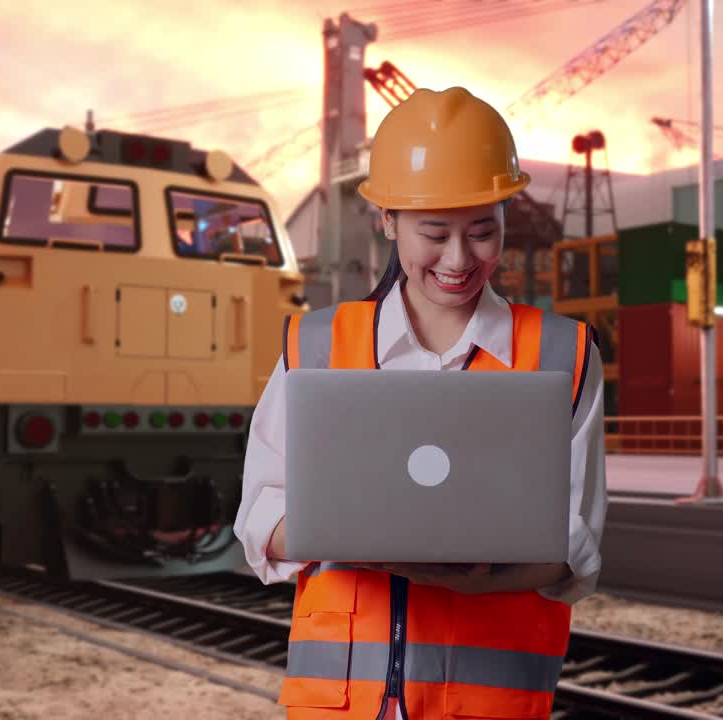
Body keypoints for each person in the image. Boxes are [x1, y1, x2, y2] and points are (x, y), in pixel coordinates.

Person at [233, 86, 606, 719]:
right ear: (388, 221)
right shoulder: (318, 344)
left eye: (483, 232)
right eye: (434, 233)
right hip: (338, 708)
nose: (460, 260)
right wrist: (357, 537)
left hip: (487, 709)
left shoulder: (561, 354)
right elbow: (258, 518)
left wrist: (468, 574)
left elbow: (575, 544)